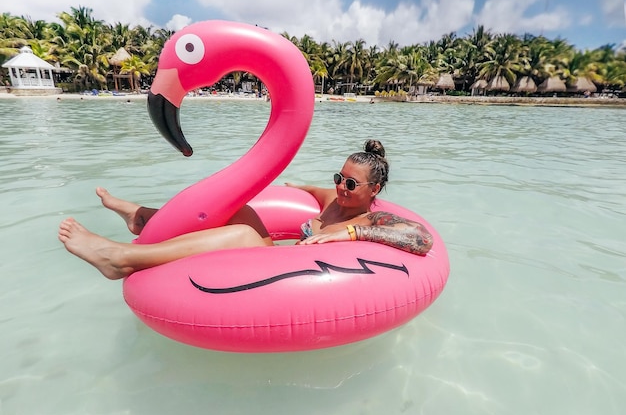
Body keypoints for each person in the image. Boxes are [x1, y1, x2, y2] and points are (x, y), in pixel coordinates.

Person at [58, 140, 433, 280]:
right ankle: (144, 218)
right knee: (239, 207)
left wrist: (348, 232)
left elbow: (420, 238)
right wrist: (296, 187)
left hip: (287, 275)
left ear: (375, 190)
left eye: (351, 184)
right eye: (339, 177)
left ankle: (122, 258)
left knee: (242, 235)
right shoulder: (333, 199)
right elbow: (309, 189)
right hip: (274, 255)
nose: (340, 187)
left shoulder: (369, 217)